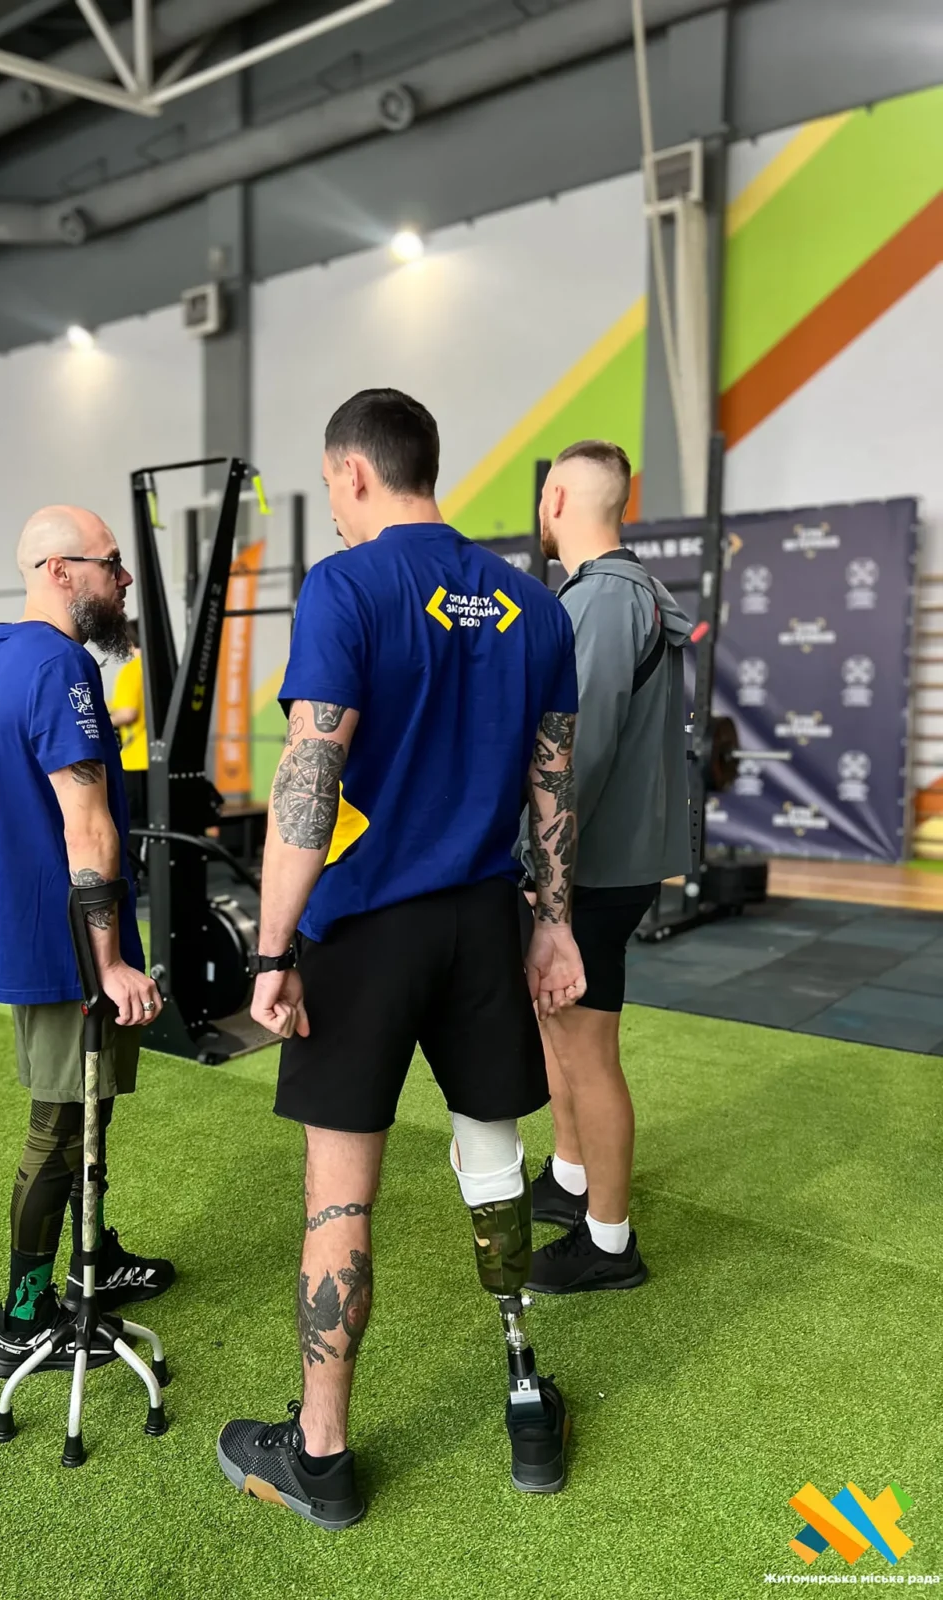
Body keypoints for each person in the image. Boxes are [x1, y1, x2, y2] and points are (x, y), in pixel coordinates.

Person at [215, 389, 586, 1529]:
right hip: (481, 923)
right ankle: (525, 1400)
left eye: (331, 485)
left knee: (340, 1194)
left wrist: (271, 949)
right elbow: (553, 782)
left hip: (365, 932)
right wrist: (554, 922)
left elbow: (308, 778)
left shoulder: (346, 585)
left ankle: (322, 1454)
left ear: (356, 473)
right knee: (493, 1160)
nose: (334, 505)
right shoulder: (534, 604)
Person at [0, 504, 173, 1378]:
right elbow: (87, 828)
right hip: (69, 943)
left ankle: (93, 1259)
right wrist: (109, 960)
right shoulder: (60, 666)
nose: (123, 579)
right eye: (110, 563)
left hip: (36, 925)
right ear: (58, 570)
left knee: (88, 1107)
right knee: (58, 1123)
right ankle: (20, 1317)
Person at [521, 440, 692, 1296]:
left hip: (589, 865)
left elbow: (572, 756)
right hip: (605, 859)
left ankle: (609, 1241)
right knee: (561, 1026)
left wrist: (534, 859)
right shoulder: (629, 591)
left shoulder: (603, 600)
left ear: (556, 498)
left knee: (587, 1049)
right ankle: (571, 1177)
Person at [108, 619, 149, 825]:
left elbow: (128, 713)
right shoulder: (162, 669)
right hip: (163, 761)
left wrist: (103, 720)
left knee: (135, 824)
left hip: (135, 759)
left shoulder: (132, 671)